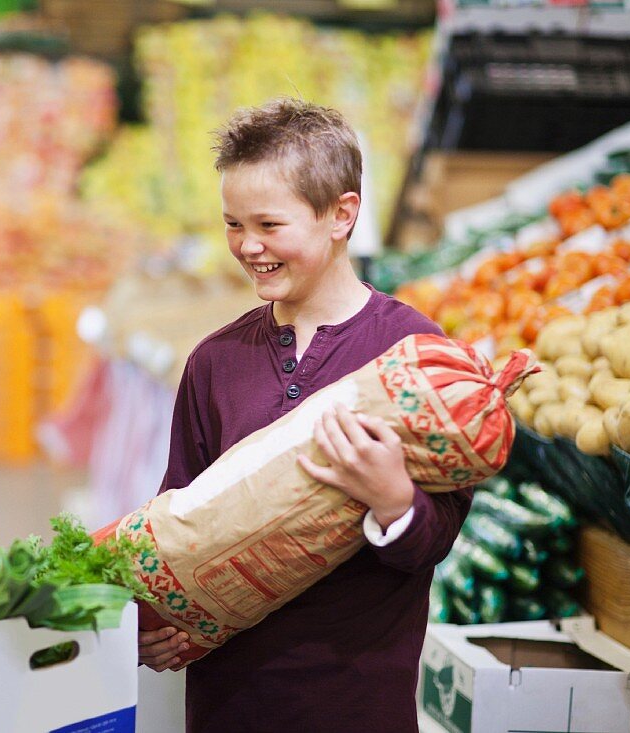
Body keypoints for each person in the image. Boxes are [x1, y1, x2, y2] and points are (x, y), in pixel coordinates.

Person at [136, 98, 471, 732]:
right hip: (228, 703)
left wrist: (394, 499)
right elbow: (178, 519)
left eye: (269, 224)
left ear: (342, 214)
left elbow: (436, 539)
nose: (248, 246)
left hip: (357, 700)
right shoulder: (214, 362)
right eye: (233, 224)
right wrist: (151, 625)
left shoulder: (417, 360)